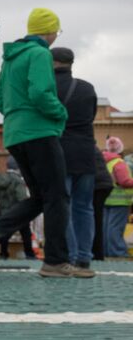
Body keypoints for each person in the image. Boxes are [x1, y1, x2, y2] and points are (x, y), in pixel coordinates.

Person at [0, 9, 86, 277]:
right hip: (40, 133)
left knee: (42, 197)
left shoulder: (10, 58)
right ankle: (56, 261)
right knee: (57, 196)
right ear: (50, 31)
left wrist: (17, 114)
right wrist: (61, 113)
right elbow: (41, 92)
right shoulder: (41, 53)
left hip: (14, 134)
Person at [51, 48, 103, 272]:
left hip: (61, 151)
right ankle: (84, 257)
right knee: (85, 207)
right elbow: (90, 116)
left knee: (65, 207)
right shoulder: (87, 88)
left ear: (52, 63)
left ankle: (69, 256)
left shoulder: (48, 87)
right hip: (86, 153)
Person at [0, 155, 36, 259]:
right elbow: (22, 197)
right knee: (26, 233)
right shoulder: (18, 181)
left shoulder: (1, 179)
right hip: (17, 211)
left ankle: (3, 253)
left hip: (4, 211)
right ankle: (29, 253)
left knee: (4, 233)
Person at [102, 138, 133, 259]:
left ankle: (106, 251)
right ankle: (118, 252)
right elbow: (124, 181)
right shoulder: (118, 162)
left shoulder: (105, 161)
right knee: (115, 228)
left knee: (106, 228)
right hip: (120, 200)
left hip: (106, 199)